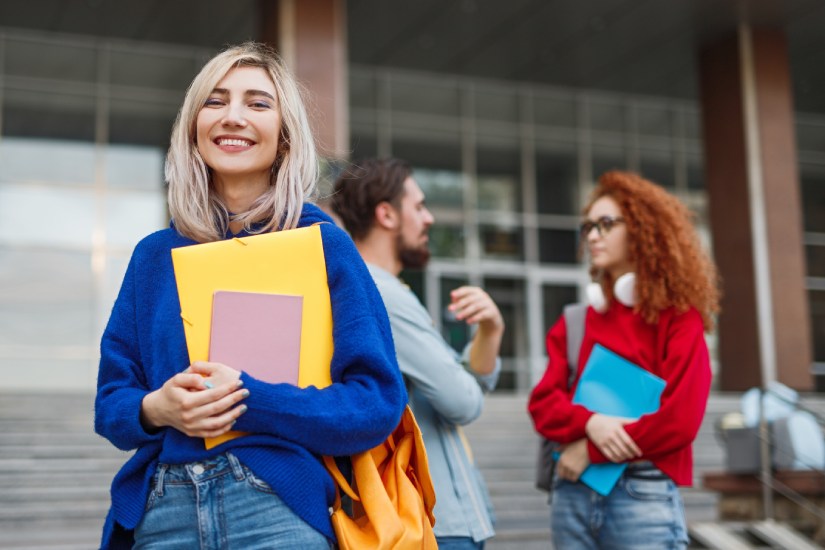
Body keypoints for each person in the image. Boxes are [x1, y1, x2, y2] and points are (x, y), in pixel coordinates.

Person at [94, 43, 406, 549]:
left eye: (257, 104)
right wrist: (157, 407)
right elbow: (112, 403)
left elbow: (374, 402)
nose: (233, 117)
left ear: (284, 138)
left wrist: (249, 399)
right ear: (194, 127)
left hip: (276, 505)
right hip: (164, 512)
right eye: (215, 102)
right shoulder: (154, 257)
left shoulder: (322, 244)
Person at [528, 170, 720, 550]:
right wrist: (592, 422)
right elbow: (542, 405)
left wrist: (590, 447)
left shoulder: (680, 318)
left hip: (641, 491)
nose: (593, 236)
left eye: (606, 224)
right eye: (588, 227)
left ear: (644, 230)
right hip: (572, 491)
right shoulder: (577, 321)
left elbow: (679, 421)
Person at [331, 157, 504, 550]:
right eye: (420, 206)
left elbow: (459, 384)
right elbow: (462, 400)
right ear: (387, 214)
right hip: (434, 521)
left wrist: (492, 329)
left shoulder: (371, 288)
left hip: (429, 516)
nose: (428, 219)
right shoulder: (382, 293)